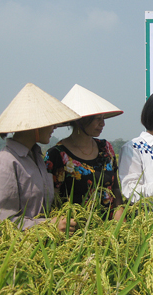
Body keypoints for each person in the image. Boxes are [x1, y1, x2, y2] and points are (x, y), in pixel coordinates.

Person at [0, 83, 80, 231]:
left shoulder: (37, 159)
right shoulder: (4, 163)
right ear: (36, 125)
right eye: (50, 122)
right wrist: (48, 225)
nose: (55, 127)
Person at [44, 84, 124, 220]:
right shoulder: (58, 155)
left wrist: (120, 216)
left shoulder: (106, 149)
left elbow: (115, 187)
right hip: (76, 231)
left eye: (103, 118)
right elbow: (53, 200)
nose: (102, 123)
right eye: (97, 119)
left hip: (110, 229)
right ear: (80, 121)